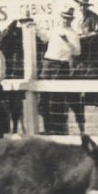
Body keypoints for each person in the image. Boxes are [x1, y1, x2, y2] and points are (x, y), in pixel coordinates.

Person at [32, 7, 81, 135]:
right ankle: (47, 128)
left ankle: (59, 129)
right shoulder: (55, 30)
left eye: (68, 19)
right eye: (64, 18)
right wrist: (33, 27)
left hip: (61, 66)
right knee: (43, 99)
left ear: (71, 20)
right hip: (48, 63)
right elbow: (43, 37)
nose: (65, 20)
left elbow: (77, 52)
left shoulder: (73, 34)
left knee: (57, 100)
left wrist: (67, 41)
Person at [73, 0, 98, 77]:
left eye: (84, 5)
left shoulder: (93, 17)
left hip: (91, 47)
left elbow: (97, 32)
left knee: (89, 69)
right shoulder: (78, 17)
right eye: (80, 5)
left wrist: (83, 36)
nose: (82, 7)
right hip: (80, 46)